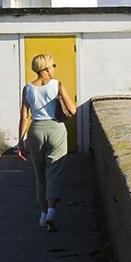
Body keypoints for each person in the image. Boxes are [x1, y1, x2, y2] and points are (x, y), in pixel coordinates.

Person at [17, 53, 77, 232]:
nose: (54, 68)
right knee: (54, 172)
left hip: (35, 131)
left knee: (40, 174)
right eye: (53, 65)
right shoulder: (57, 85)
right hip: (56, 129)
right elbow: (73, 110)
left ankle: (42, 215)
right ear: (46, 68)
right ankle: (51, 211)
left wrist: (20, 143)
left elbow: (24, 117)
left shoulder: (27, 88)